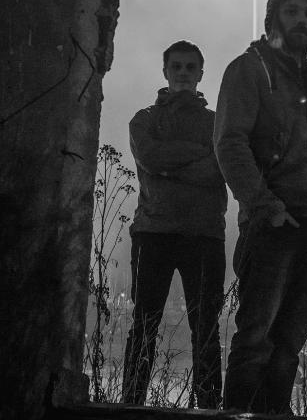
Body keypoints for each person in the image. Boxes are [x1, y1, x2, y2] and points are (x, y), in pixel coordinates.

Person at [214, 0, 307, 414]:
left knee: (289, 344)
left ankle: (275, 414)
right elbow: (229, 143)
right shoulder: (249, 69)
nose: (302, 20)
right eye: (292, 11)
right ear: (273, 17)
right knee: (255, 340)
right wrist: (266, 206)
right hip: (273, 223)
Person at [122, 40, 227, 408]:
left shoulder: (218, 123)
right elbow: (150, 156)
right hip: (154, 233)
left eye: (190, 67)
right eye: (177, 66)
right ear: (165, 71)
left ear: (201, 73)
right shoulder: (144, 119)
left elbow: (220, 169)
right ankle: (131, 406)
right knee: (144, 324)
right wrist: (199, 154)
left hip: (204, 235)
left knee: (206, 328)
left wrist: (170, 166)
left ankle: (209, 407)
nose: (183, 73)